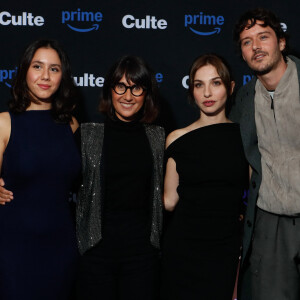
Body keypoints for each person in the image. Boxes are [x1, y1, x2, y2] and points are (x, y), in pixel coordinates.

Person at [76, 55, 165, 300]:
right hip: (96, 253)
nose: (127, 96)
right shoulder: (87, 135)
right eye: (120, 86)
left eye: (136, 87)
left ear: (146, 93)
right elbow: (54, 174)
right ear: (110, 90)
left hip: (142, 256)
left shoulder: (158, 138)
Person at [160, 53, 248, 299]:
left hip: (224, 253)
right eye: (199, 85)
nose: (207, 93)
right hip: (182, 251)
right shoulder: (177, 138)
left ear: (230, 88)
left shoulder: (245, 137)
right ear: (192, 91)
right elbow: (169, 201)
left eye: (216, 83)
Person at [0, 39, 81, 300]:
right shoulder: (4, 123)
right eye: (38, 66)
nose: (45, 76)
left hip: (61, 246)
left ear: (62, 77)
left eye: (54, 69)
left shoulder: (71, 124)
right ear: (24, 71)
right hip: (14, 248)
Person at [231, 8, 300, 300]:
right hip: (271, 222)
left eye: (263, 37)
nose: (256, 47)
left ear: (281, 42)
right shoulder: (244, 101)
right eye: (247, 42)